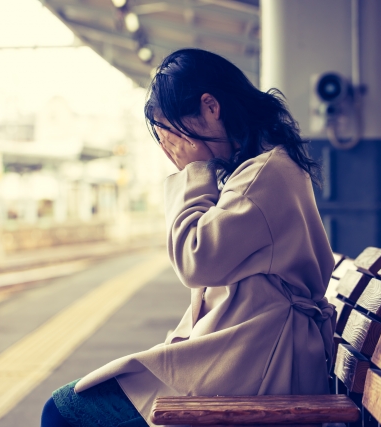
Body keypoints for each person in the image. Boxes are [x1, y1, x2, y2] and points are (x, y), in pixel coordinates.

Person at [41, 48, 336, 427]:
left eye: (177, 133)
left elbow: (195, 259)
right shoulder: (262, 167)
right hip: (249, 353)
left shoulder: (263, 175)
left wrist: (195, 169)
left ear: (211, 107)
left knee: (62, 412)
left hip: (259, 363)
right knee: (71, 405)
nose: (175, 149)